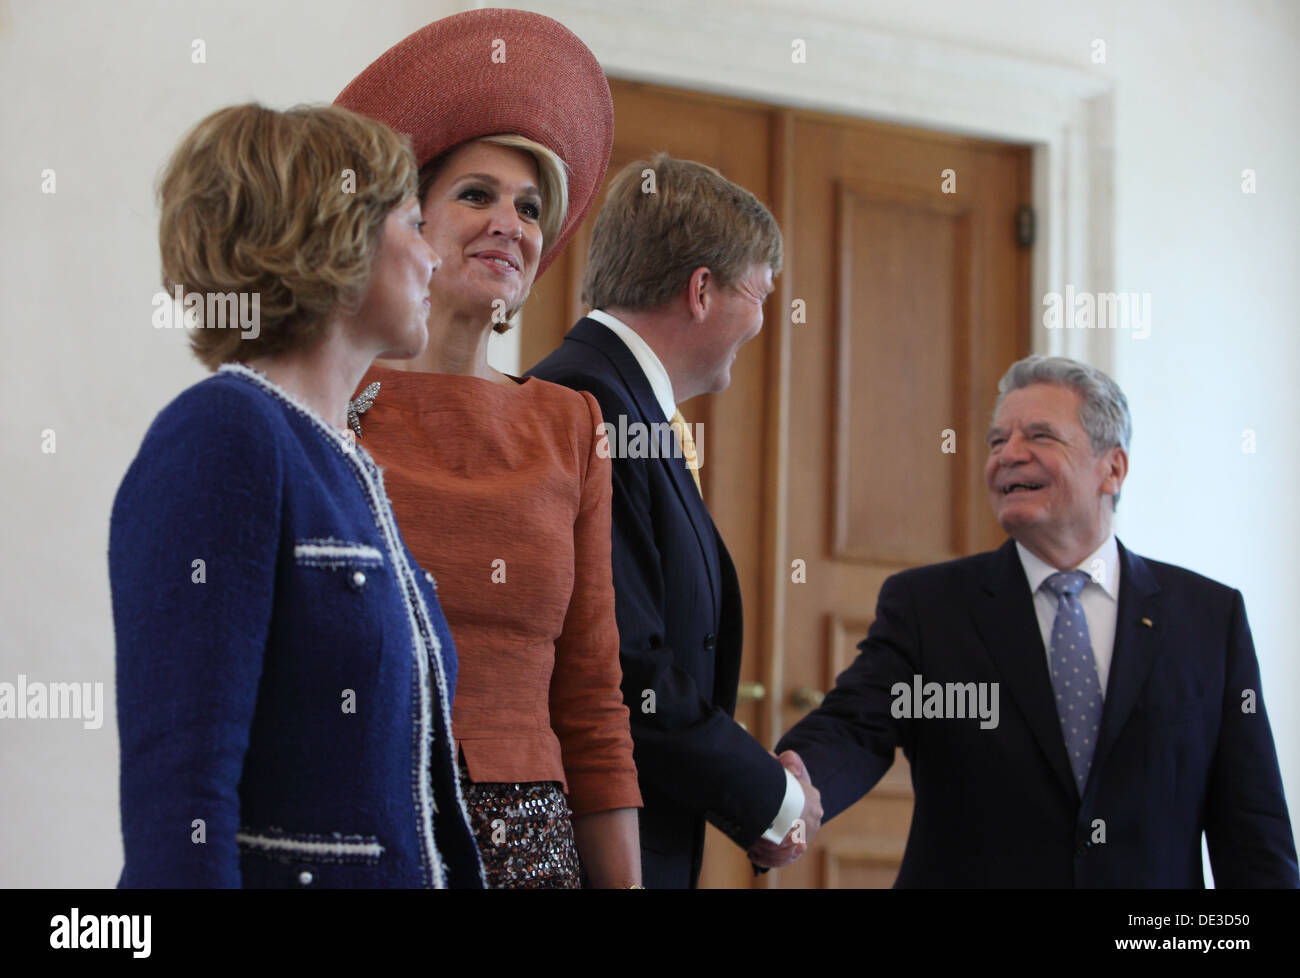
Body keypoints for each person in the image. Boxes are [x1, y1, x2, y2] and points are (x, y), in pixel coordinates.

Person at [110, 103, 483, 887]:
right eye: (414, 226)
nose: (433, 261)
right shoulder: (224, 431)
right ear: (335, 233)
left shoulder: (345, 460)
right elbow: (182, 801)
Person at [764, 355, 1299, 887]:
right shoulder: (929, 607)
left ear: (1112, 468)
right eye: (997, 442)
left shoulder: (1207, 617)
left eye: (1040, 436)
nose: (1008, 456)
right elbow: (856, 727)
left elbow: (1252, 828)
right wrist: (788, 791)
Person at [335, 9, 642, 888]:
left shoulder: (571, 425)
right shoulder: (329, 405)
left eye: (531, 206)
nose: (510, 221)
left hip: (531, 843)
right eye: (477, 195)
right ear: (409, 221)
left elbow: (592, 698)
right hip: (362, 819)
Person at [527, 153, 822, 889]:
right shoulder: (588, 402)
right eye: (760, 293)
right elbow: (623, 665)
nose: (762, 321)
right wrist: (773, 797)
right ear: (701, 290)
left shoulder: (619, 398)